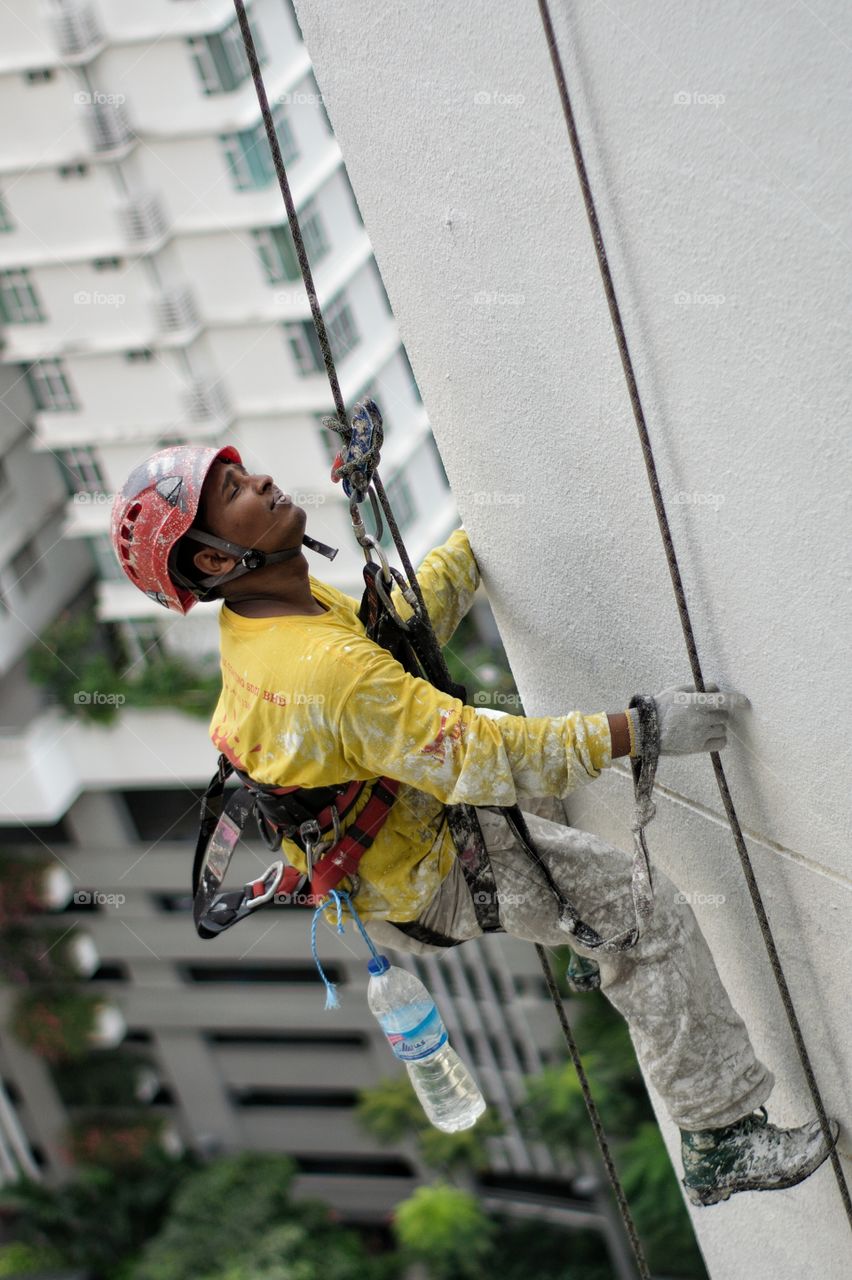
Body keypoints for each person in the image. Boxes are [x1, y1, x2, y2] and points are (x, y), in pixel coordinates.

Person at [111, 442, 839, 1208]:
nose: (260, 479)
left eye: (243, 472)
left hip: (386, 848)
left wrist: (483, 536)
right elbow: (487, 759)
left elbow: (396, 631)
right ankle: (720, 1135)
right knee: (645, 915)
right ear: (215, 565)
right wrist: (644, 728)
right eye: (235, 491)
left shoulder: (273, 616)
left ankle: (584, 937)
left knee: (527, 750)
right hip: (428, 875)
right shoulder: (318, 670)